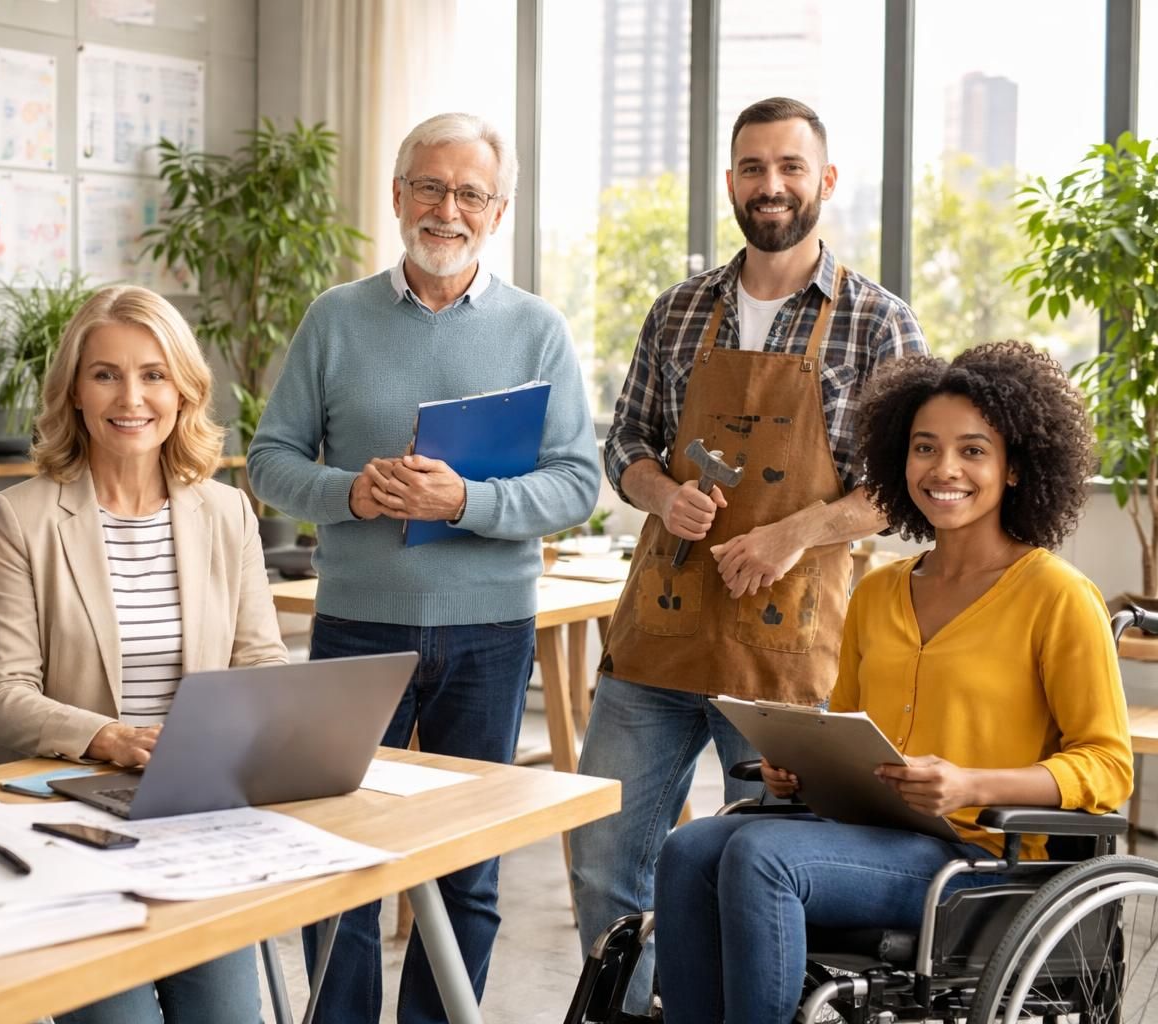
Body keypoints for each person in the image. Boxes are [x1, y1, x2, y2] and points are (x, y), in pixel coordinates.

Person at [566, 96, 930, 1009]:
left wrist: (792, 532)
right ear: (731, 182)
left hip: (783, 660)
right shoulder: (679, 311)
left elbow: (906, 486)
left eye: (791, 168)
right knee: (604, 855)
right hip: (657, 636)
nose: (772, 187)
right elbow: (626, 446)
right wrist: (662, 494)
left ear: (825, 181)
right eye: (754, 169)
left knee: (750, 874)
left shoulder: (879, 324)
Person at [653, 339, 1133, 1022]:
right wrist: (799, 770)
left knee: (761, 855)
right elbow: (847, 728)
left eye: (973, 451)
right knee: (689, 848)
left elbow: (1109, 767)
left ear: (1016, 468)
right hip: (864, 832)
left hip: (974, 857)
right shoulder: (878, 591)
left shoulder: (1057, 596)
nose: (944, 469)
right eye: (924, 447)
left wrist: (969, 784)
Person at [246, 111, 599, 1023]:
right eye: (430, 188)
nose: (449, 209)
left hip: (488, 632)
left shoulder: (538, 329)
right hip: (357, 625)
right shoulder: (335, 318)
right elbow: (269, 459)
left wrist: (466, 504)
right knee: (340, 858)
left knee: (466, 869)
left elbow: (576, 485)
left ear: (499, 209)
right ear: (398, 196)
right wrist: (351, 495)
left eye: (470, 193)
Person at [0, 285, 286, 1024]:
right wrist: (108, 737)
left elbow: (261, 664)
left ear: (182, 389)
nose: (131, 396)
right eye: (105, 373)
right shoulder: (22, 517)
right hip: (67, 817)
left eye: (152, 373)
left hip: (195, 813)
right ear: (74, 391)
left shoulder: (226, 508)